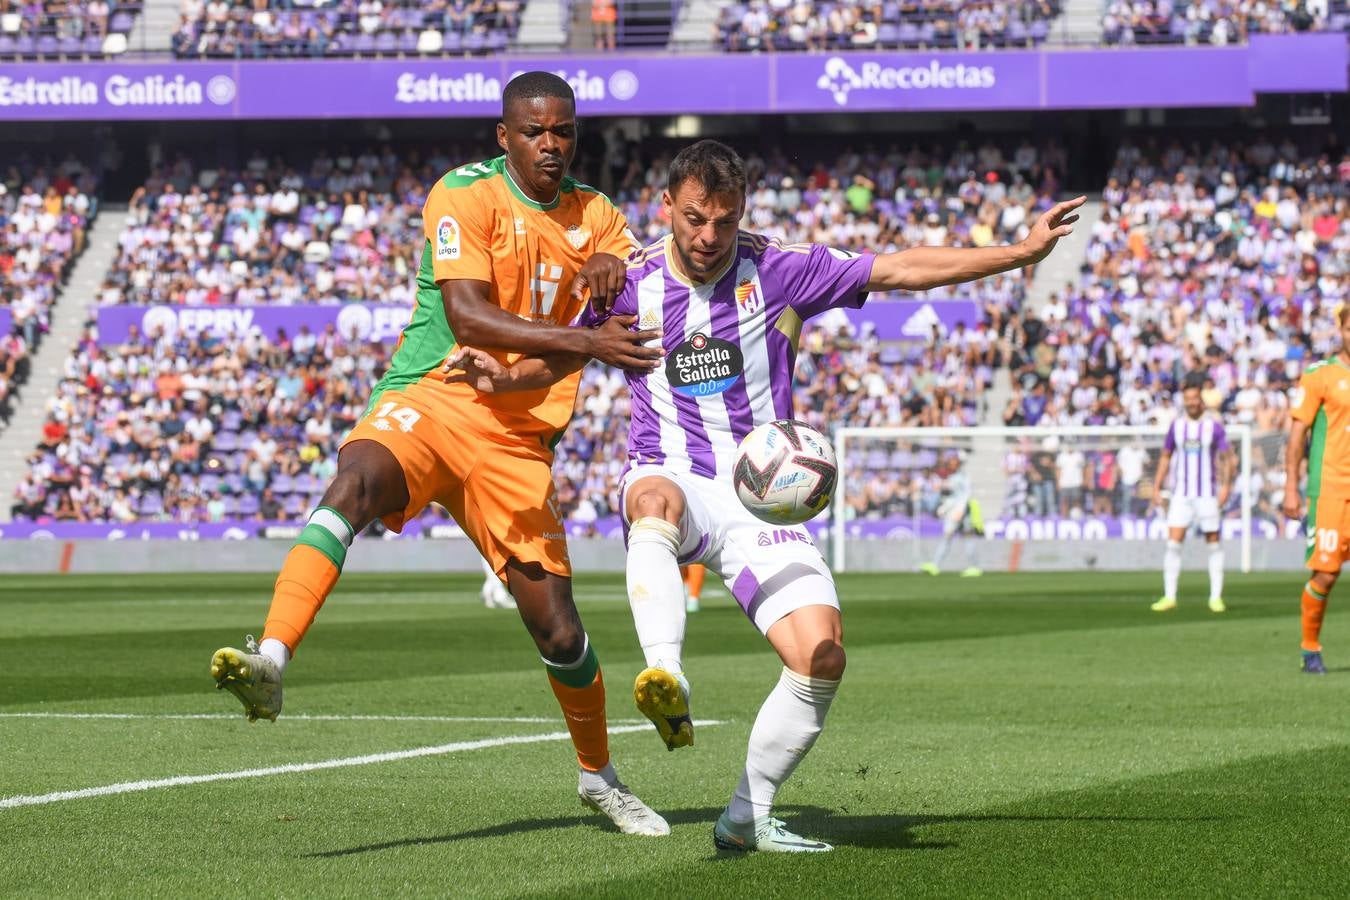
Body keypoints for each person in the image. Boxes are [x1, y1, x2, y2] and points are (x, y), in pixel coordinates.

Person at [445, 139, 1084, 851]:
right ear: (667, 209)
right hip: (672, 472)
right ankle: (665, 672)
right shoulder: (629, 282)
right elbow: (565, 352)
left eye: (723, 221)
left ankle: (747, 816)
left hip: (761, 493)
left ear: (741, 212)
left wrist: (1019, 255)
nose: (708, 237)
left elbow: (900, 267)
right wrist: (498, 378)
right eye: (693, 219)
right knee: (652, 502)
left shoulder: (781, 269)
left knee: (821, 656)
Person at [209, 72, 671, 837]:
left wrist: (610, 277)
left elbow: (627, 302)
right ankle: (272, 660)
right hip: (433, 396)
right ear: (504, 136)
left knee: (557, 629)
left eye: (563, 132)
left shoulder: (600, 216)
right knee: (354, 482)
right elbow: (466, 312)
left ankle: (599, 778)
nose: (550, 145)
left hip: (518, 439)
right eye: (534, 132)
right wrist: (586, 337)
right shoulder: (462, 194)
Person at [1282, 307, 1350, 675]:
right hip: (1330, 492)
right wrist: (1291, 487)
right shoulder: (1320, 375)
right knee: (1326, 574)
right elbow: (1297, 436)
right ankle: (1310, 649)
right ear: (1340, 329)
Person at [1148, 382, 1233, 613]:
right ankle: (1169, 596)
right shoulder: (1176, 426)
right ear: (1184, 401)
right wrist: (1156, 486)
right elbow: (1165, 457)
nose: (1192, 402)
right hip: (1181, 496)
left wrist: (1226, 486)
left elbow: (1226, 457)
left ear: (1201, 401)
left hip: (1207, 494)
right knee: (1173, 544)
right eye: (1188, 398)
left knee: (1214, 544)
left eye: (1195, 398)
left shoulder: (1213, 427)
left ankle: (1215, 597)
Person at [921, 451, 984, 577]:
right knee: (964, 538)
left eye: (953, 461)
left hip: (959, 512)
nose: (951, 463)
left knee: (948, 537)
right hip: (958, 511)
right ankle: (974, 566)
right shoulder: (954, 476)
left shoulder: (963, 477)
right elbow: (953, 494)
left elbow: (965, 495)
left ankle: (935, 565)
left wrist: (959, 510)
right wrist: (944, 506)